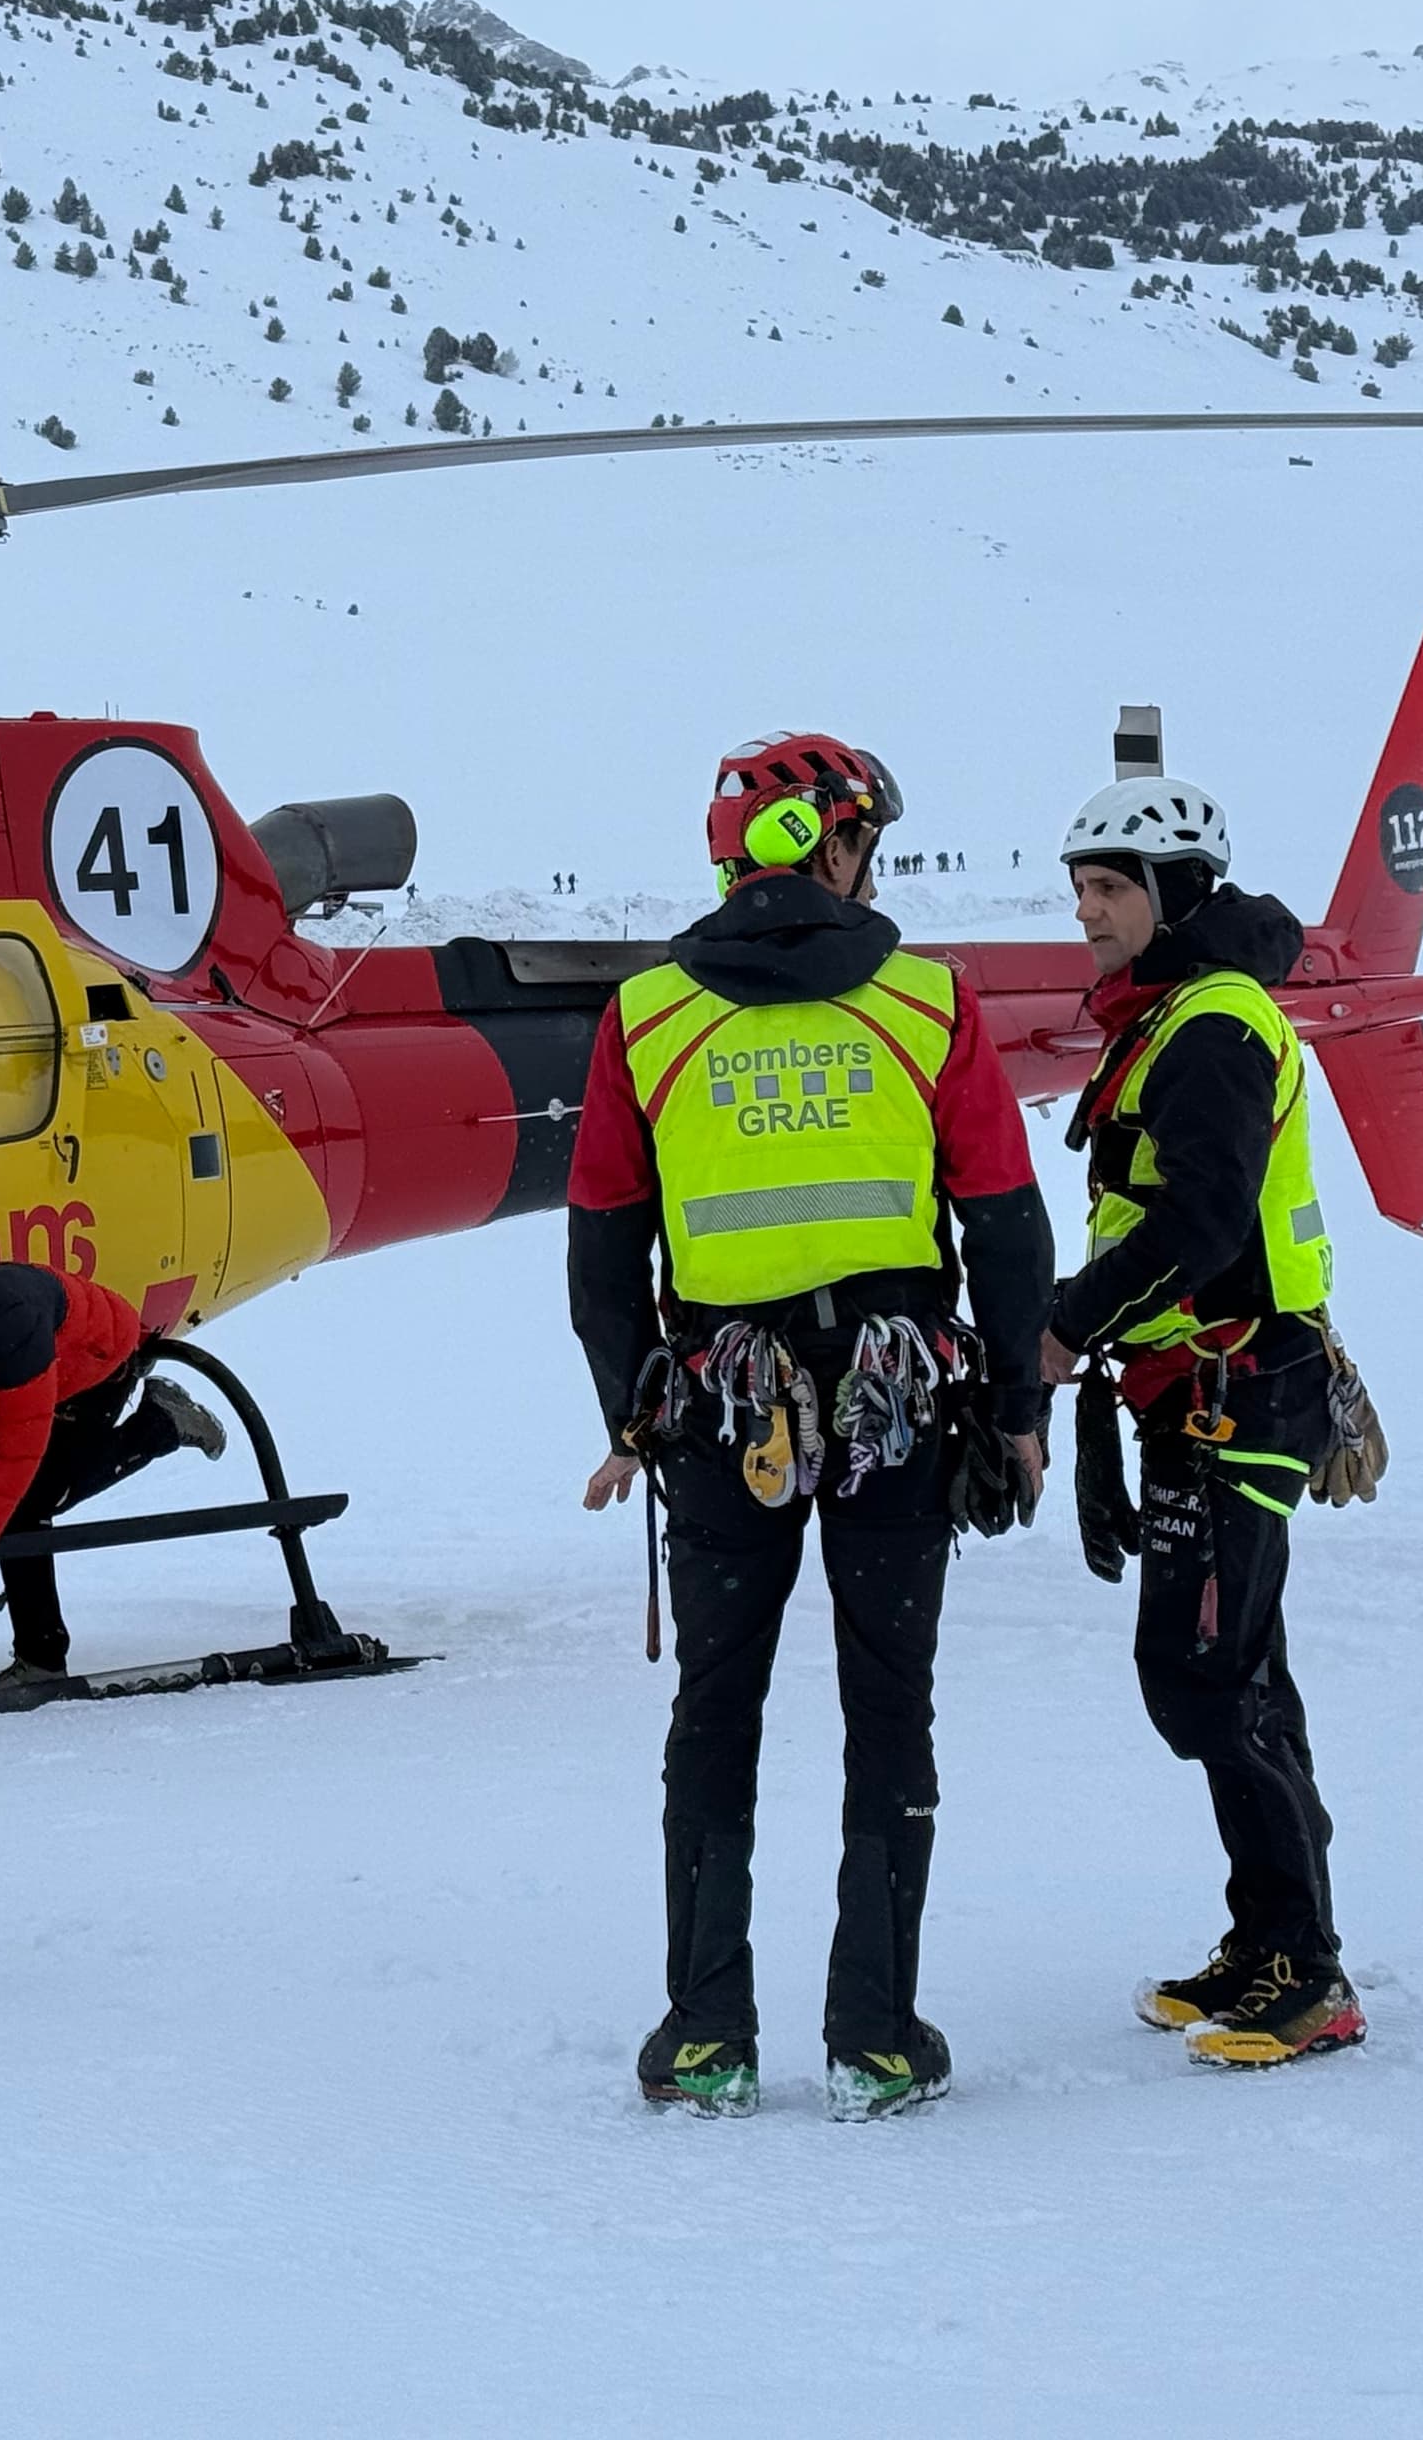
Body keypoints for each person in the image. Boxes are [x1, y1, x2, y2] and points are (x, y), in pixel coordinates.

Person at [566, 731, 1056, 2120]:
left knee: (717, 1705)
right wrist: (1016, 1407)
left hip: (727, 1414)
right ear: (831, 845)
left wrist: (631, 1408)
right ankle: (878, 2034)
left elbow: (603, 1241)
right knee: (888, 1703)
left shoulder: (648, 1016)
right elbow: (1006, 1223)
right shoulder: (926, 1003)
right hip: (895, 1405)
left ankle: (707, 2034)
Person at [1039, 775, 1367, 2069]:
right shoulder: (1172, 1017)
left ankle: (1307, 1973)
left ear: (1174, 898)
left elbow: (1204, 1221)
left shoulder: (1215, 1025)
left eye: (1111, 890)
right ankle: (1269, 1937)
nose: (1088, 915)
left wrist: (1067, 1322)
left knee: (1203, 1674)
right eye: (1079, 890)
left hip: (1245, 1385)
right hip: (1197, 1391)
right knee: (1242, 1671)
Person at [0, 1262, 227, 1690]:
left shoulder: (8, 1326)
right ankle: (41, 1656)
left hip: (97, 1360)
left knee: (24, 1512)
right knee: (22, 1511)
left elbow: (20, 1440)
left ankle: (161, 1425)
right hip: (49, 1360)